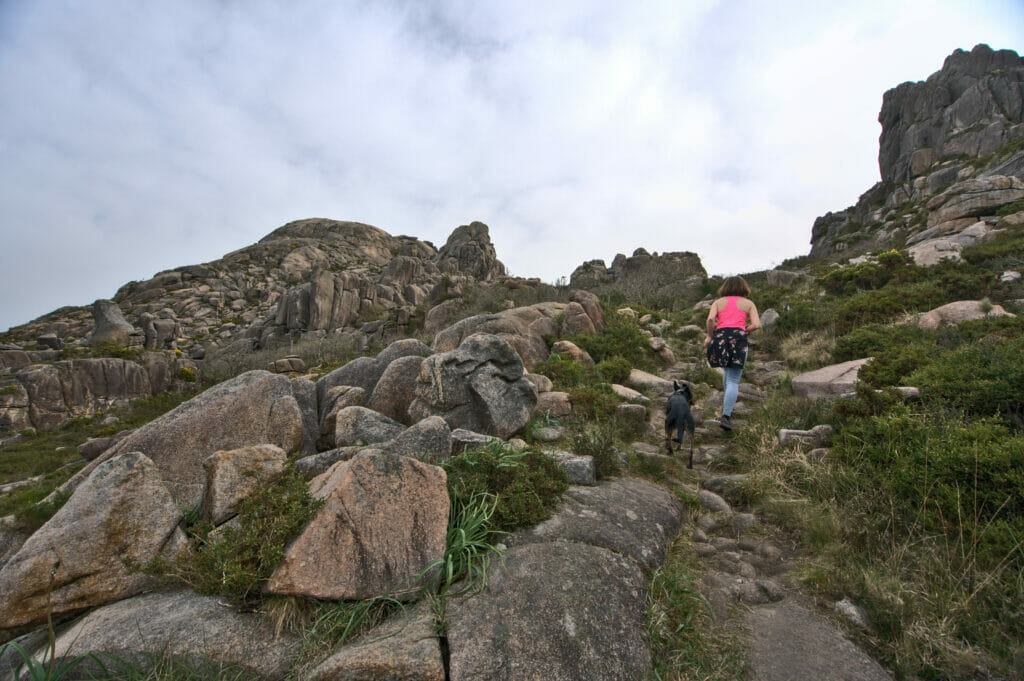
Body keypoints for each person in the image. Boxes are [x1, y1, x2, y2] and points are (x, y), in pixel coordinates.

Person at [704, 276, 760, 430]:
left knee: (727, 374)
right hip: (738, 340)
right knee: (734, 379)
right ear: (744, 288)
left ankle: (726, 411)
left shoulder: (718, 302)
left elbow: (710, 320)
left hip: (720, 338)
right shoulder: (748, 304)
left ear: (725, 287)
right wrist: (744, 331)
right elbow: (756, 324)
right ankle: (726, 416)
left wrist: (709, 336)